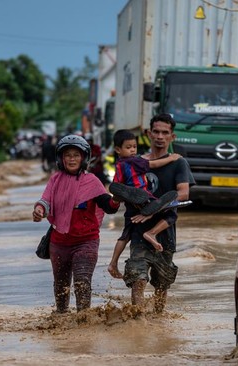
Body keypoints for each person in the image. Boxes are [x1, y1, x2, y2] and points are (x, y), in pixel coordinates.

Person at [108, 113, 195, 313]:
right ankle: (138, 323)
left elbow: (183, 193)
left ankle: (158, 321)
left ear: (172, 137)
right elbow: (119, 191)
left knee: (162, 285)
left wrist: (153, 210)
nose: (160, 136)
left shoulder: (178, 163)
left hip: (165, 232)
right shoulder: (134, 161)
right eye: (156, 131)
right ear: (148, 134)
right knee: (137, 279)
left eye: (165, 133)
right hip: (138, 231)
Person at [32, 134, 120, 314]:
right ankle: (61, 317)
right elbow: (45, 201)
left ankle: (83, 319)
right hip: (59, 243)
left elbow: (109, 207)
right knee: (61, 286)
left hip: (86, 242)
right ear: (61, 158)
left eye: (76, 155)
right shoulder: (55, 180)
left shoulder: (92, 181)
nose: (71, 159)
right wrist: (39, 210)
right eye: (67, 155)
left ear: (84, 158)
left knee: (82, 281)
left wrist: (118, 198)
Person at [108, 128, 183, 253]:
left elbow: (117, 185)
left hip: (131, 205)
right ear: (117, 149)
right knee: (171, 213)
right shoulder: (136, 160)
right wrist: (171, 158)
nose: (132, 150)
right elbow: (152, 165)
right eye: (128, 147)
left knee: (125, 235)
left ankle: (113, 264)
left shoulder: (119, 165)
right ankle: (151, 233)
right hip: (144, 195)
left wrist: (118, 197)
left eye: (134, 147)